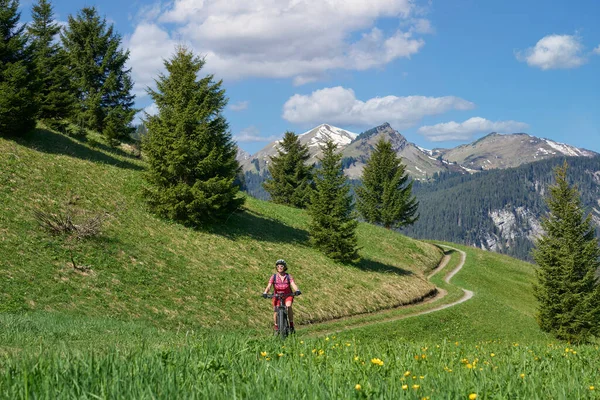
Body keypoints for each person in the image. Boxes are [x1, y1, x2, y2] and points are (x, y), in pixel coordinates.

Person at [262, 259, 301, 332]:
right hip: (277, 296)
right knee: (276, 310)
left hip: (287, 295)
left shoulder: (288, 276)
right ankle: (276, 326)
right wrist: (265, 292)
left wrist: (297, 290)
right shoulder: (273, 277)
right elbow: (269, 286)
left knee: (288, 306)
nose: (280, 267)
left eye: (281, 266)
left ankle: (291, 324)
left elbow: (293, 284)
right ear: (276, 267)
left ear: (284, 267)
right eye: (278, 266)